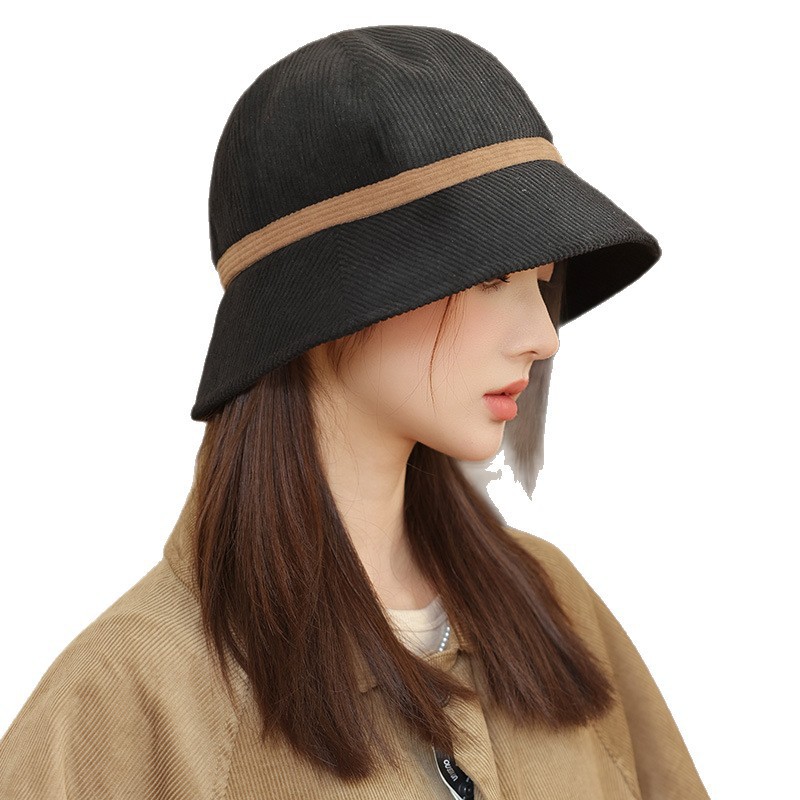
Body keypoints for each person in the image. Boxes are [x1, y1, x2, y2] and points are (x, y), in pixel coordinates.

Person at [0, 24, 710, 799]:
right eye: (491, 277)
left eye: (540, 282)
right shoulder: (130, 698)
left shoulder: (554, 607)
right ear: (332, 300)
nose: (544, 337)